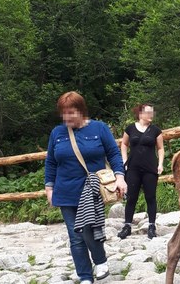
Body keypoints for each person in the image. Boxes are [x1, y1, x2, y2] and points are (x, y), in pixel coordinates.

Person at [45, 91, 127, 284]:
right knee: (75, 235)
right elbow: (51, 163)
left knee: (89, 228)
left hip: (92, 190)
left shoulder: (99, 128)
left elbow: (114, 154)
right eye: (63, 113)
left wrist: (120, 177)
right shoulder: (57, 133)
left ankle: (100, 260)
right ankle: (84, 276)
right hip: (66, 190)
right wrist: (49, 188)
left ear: (81, 110)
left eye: (71, 112)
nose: (66, 117)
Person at [117, 104, 164, 240]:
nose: (151, 115)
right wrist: (124, 161)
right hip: (133, 168)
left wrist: (160, 164)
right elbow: (124, 144)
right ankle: (127, 226)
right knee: (131, 197)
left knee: (150, 197)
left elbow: (160, 148)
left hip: (150, 168)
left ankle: (151, 226)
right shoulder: (130, 128)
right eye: (148, 112)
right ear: (140, 114)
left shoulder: (156, 130)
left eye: (152, 112)